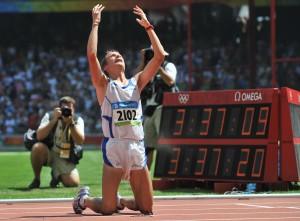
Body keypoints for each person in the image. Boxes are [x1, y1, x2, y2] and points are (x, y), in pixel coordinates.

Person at [72, 4, 166, 215]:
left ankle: (119, 200)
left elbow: (159, 57)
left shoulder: (137, 82)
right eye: (113, 57)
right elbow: (91, 55)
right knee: (106, 209)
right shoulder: (104, 85)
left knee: (147, 208)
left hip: (136, 147)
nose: (118, 56)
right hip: (114, 147)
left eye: (119, 55)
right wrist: (95, 24)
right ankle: (84, 199)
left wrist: (148, 27)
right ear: (106, 68)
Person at [28, 96, 85, 189]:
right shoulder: (50, 116)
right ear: (59, 109)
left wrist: (71, 124)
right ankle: (36, 179)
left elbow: (80, 140)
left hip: (64, 155)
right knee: (37, 147)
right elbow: (39, 136)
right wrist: (54, 119)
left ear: (73, 109)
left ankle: (56, 176)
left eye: (69, 109)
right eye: (64, 109)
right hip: (49, 151)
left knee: (72, 183)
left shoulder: (77, 120)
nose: (67, 111)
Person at [140, 47, 177, 170]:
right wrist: (143, 62)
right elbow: (137, 81)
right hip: (150, 109)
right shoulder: (147, 69)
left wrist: (158, 68)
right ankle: (145, 176)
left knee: (165, 143)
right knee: (148, 146)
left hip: (163, 107)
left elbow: (171, 81)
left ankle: (167, 172)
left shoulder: (168, 66)